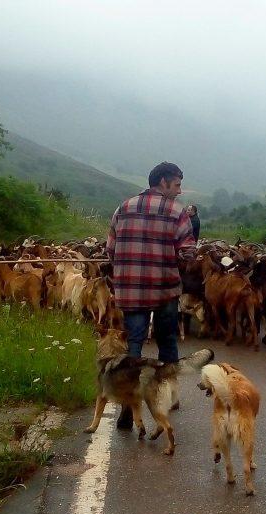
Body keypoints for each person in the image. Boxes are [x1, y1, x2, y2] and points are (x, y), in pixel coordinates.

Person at [107, 161, 195, 428]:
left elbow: (110, 249)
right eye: (177, 185)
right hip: (164, 288)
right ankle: (168, 396)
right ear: (163, 182)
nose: (179, 191)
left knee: (134, 342)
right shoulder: (177, 212)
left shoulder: (123, 207)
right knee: (167, 339)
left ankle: (128, 400)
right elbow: (188, 252)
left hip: (131, 288)